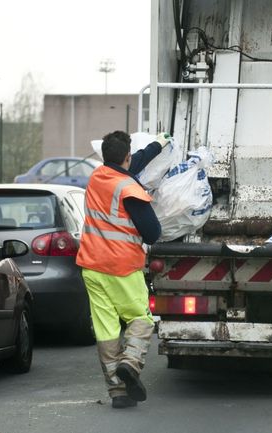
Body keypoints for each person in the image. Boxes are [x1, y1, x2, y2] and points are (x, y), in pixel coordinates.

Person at [76, 130, 170, 409]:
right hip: (122, 267)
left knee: (106, 328)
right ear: (126, 156)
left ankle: (117, 392)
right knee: (141, 319)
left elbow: (134, 163)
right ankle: (129, 363)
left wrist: (157, 145)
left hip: (92, 266)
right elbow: (152, 233)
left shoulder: (97, 177)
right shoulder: (130, 189)